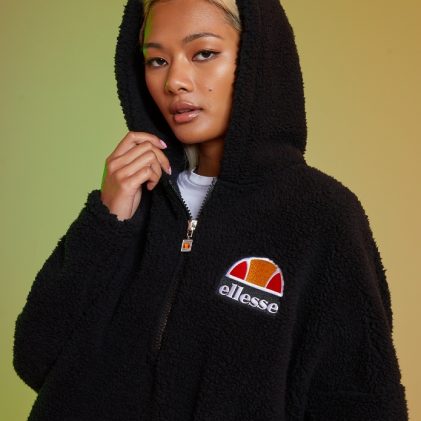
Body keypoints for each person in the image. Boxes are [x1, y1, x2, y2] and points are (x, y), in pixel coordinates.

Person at [13, 0, 408, 419]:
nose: (175, 82)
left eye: (203, 53)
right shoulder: (130, 203)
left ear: (258, 59)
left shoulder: (320, 214)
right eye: (157, 60)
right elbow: (36, 357)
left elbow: (361, 401)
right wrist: (107, 221)